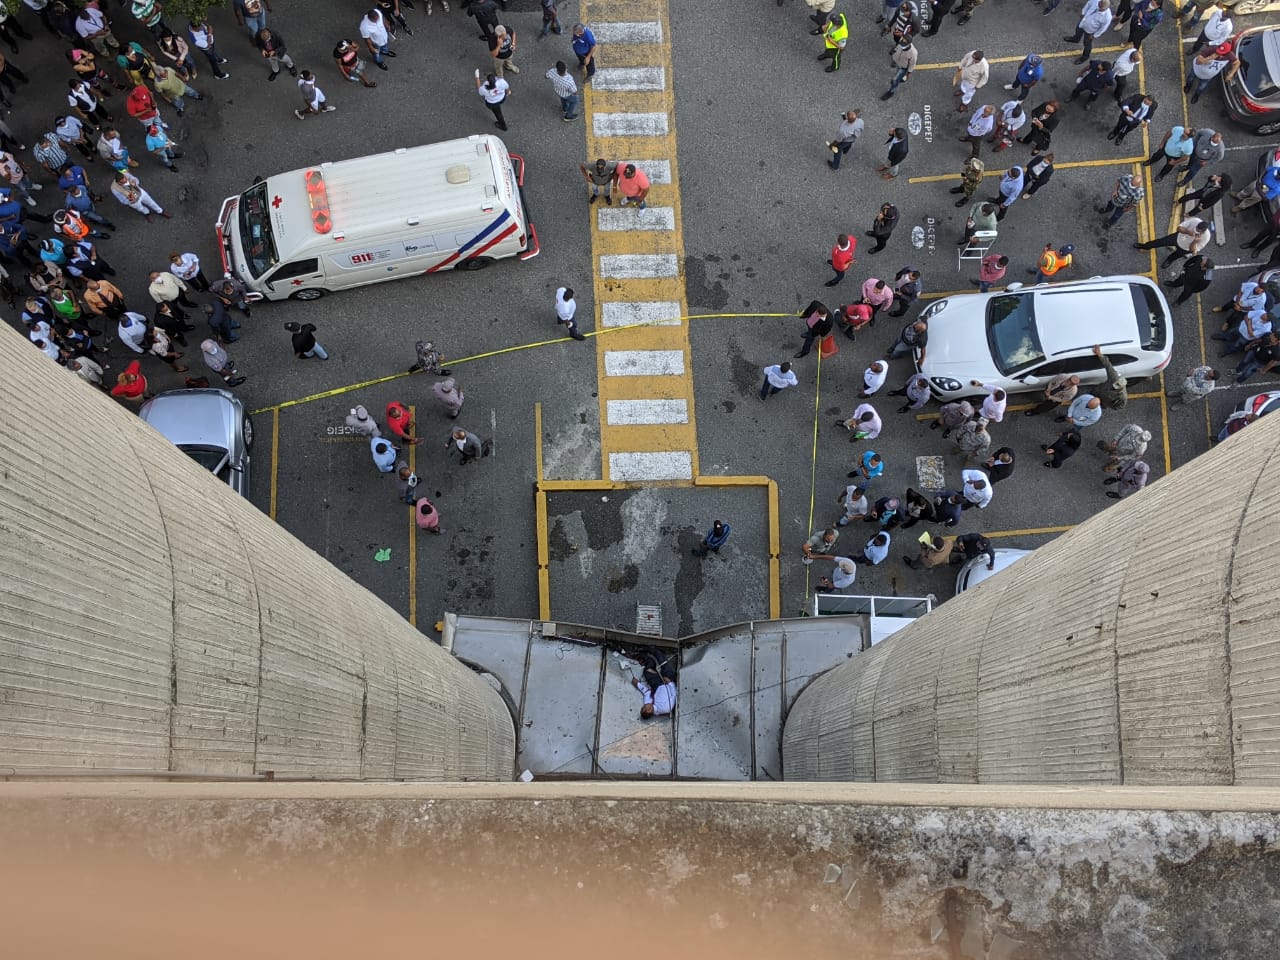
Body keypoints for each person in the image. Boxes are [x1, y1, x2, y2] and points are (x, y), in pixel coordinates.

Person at [1133, 217, 1211, 269]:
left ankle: (1168, 261)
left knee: (1175, 256)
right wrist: (1188, 232)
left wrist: (1195, 241)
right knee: (1160, 242)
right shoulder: (1195, 220)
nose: (1195, 230)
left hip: (1185, 248)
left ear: (1203, 232)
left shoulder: (1206, 237)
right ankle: (1145, 246)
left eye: (1198, 231)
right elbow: (1179, 228)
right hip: (1177, 237)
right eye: (1196, 228)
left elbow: (1193, 251)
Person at [632, 652, 677, 719]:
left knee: (647, 670)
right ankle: (656, 651)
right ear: (649, 710)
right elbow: (674, 695)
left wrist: (637, 684)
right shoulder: (665, 708)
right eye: (644, 707)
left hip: (657, 685)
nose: (644, 705)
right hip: (668, 682)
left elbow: (647, 692)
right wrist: (670, 683)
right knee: (661, 661)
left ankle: (645, 655)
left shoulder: (649, 704)